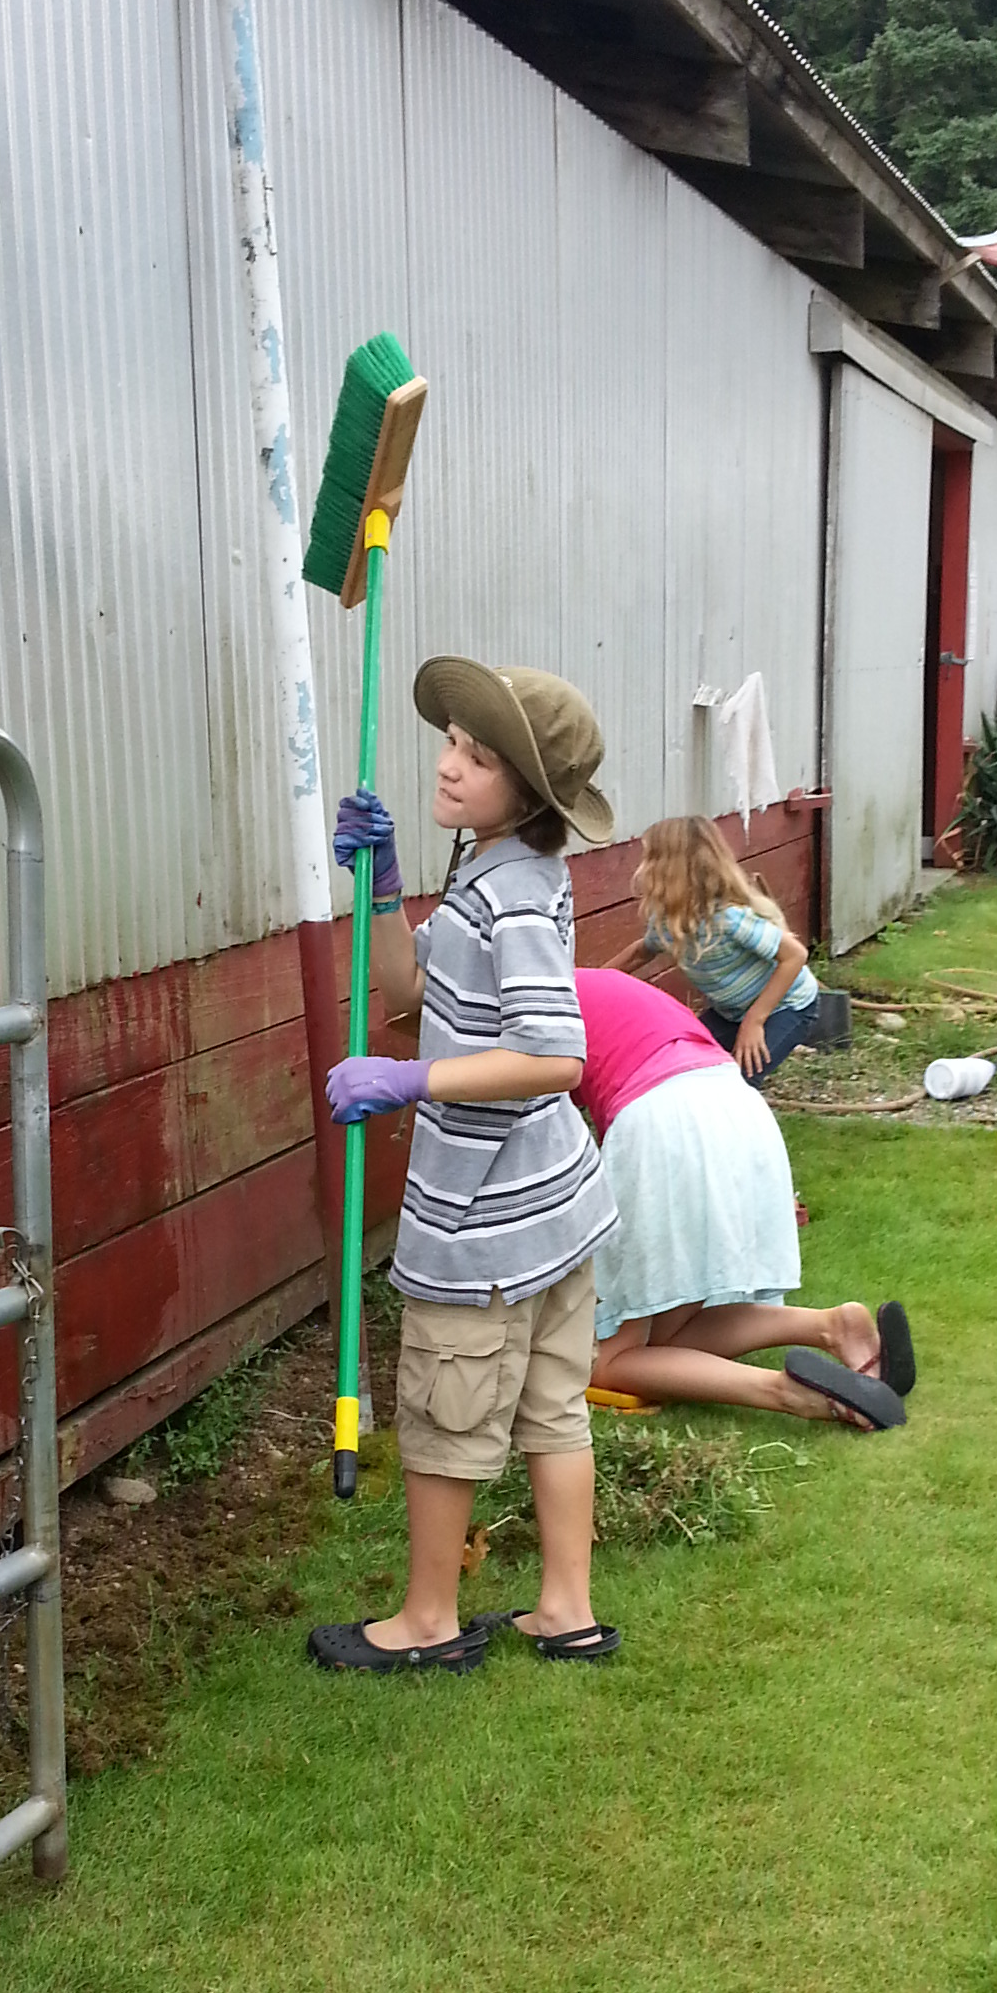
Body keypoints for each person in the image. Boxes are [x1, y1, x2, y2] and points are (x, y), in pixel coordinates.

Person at [309, 660, 621, 1673]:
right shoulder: (495, 876)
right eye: (450, 741)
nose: (446, 764)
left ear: (527, 795)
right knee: (553, 1407)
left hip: (485, 1224)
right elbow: (404, 989)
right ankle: (564, 1609)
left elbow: (556, 1054)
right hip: (550, 1210)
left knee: (448, 1413)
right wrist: (389, 887)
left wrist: (412, 1084)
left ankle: (428, 1623)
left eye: (476, 758)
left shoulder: (514, 901)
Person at [574, 966, 911, 1428]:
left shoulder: (521, 1014)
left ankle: (787, 1393)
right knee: (671, 1335)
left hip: (661, 1122)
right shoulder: (595, 982)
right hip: (738, 1105)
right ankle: (829, 1325)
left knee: (609, 1360)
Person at [612, 815, 822, 1080]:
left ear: (671, 869)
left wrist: (754, 1021)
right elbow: (640, 952)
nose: (641, 869)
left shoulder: (728, 918)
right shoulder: (670, 921)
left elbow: (795, 956)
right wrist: (586, 982)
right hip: (730, 1013)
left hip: (786, 1007)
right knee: (684, 1067)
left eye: (648, 858)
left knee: (736, 1081)